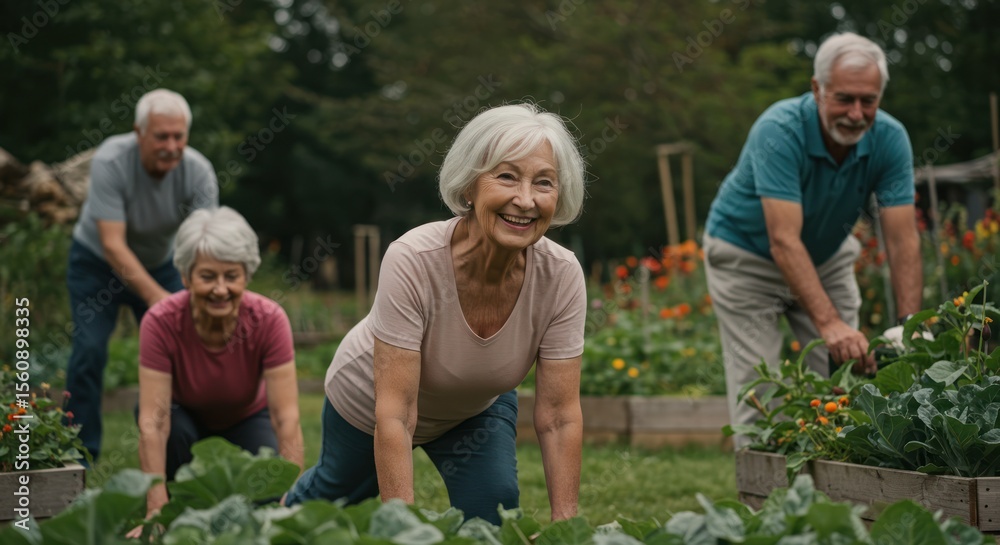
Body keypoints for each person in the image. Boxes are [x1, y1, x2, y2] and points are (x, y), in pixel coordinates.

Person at [284, 103, 588, 524]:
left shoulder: (561, 275)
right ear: (469, 186)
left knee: (493, 511)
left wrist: (566, 527)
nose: (525, 200)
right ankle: (277, 517)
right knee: (330, 500)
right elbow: (396, 413)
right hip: (370, 399)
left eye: (544, 183)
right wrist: (404, 530)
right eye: (506, 176)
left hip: (473, 406)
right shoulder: (413, 258)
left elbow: (558, 417)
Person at [702, 32, 922, 447]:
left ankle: (831, 504)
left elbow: (903, 241)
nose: (857, 114)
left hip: (825, 255)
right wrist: (829, 323)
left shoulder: (891, 139)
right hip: (744, 256)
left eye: (868, 101)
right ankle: (760, 503)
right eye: (844, 99)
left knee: (842, 377)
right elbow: (783, 240)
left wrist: (909, 330)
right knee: (759, 385)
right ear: (817, 89)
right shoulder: (779, 130)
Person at [65, 89, 218, 461]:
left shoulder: (198, 172)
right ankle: (77, 455)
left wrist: (195, 294)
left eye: (178, 136)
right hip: (97, 263)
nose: (171, 145)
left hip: (161, 265)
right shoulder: (111, 160)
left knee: (184, 352)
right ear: (139, 132)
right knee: (89, 350)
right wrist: (157, 298)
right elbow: (113, 244)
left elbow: (204, 245)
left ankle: (180, 449)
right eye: (161, 136)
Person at [132, 206, 304, 530]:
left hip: (246, 417)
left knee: (265, 491)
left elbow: (286, 417)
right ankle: (174, 502)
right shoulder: (160, 321)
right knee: (174, 436)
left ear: (246, 275)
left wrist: (288, 501)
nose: (220, 289)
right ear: (185, 276)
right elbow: (153, 423)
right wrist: (155, 508)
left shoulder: (269, 319)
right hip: (183, 419)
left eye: (232, 276)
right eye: (208, 276)